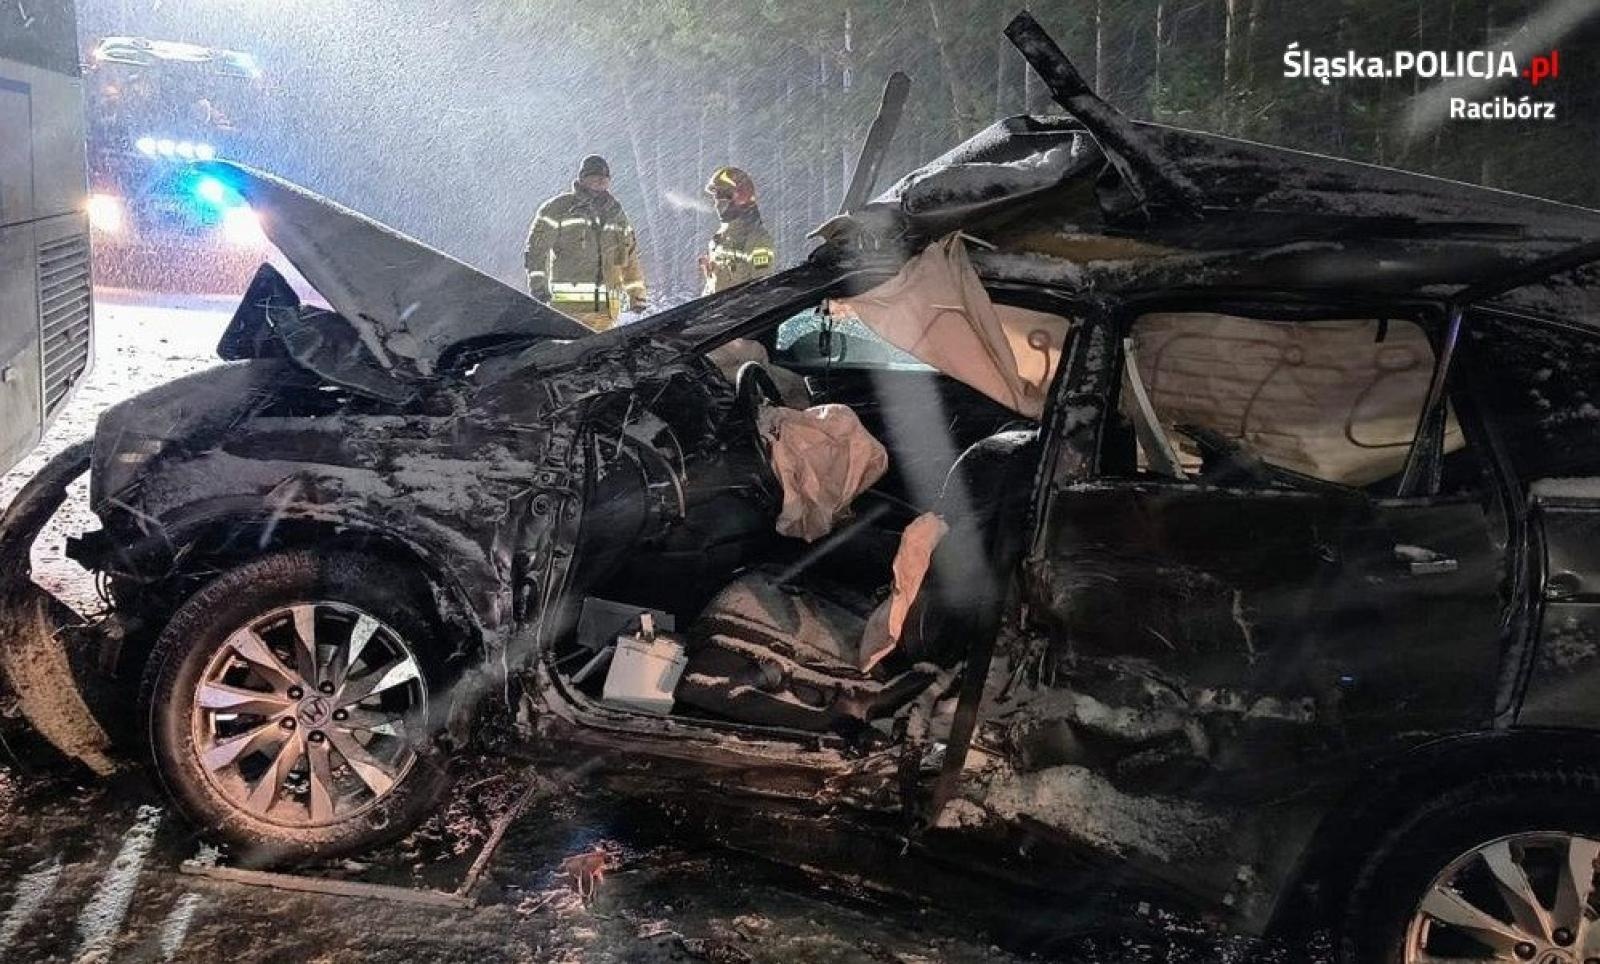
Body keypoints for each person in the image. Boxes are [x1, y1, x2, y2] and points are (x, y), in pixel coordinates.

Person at [525, 155, 647, 331]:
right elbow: (537, 250)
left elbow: (630, 258)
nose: (601, 181)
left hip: (607, 314)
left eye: (605, 177)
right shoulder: (558, 209)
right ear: (582, 178)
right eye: (596, 176)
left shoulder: (616, 214)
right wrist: (538, 287)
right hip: (569, 312)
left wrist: (637, 295)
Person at [700, 166, 775, 296]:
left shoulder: (758, 240)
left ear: (739, 197)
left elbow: (762, 291)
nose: (716, 204)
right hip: (716, 313)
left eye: (720, 196)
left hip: (740, 315)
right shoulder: (719, 239)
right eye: (716, 198)